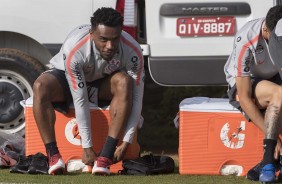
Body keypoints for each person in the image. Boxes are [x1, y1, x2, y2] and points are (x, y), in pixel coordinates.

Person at [32, 7, 144, 175]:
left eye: (115, 39)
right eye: (103, 39)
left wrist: (126, 142)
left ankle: (105, 157)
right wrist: (87, 147)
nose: (110, 46)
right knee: (40, 86)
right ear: (91, 33)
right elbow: (81, 100)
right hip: (68, 79)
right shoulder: (75, 49)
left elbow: (137, 99)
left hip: (101, 83)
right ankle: (53, 156)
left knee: (124, 82)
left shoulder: (133, 50)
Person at [224, 5, 282, 183]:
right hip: (246, 84)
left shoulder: (278, 32)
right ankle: (267, 162)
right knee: (278, 93)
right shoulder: (246, 38)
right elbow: (244, 97)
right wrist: (273, 138)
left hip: (273, 78)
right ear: (266, 29)